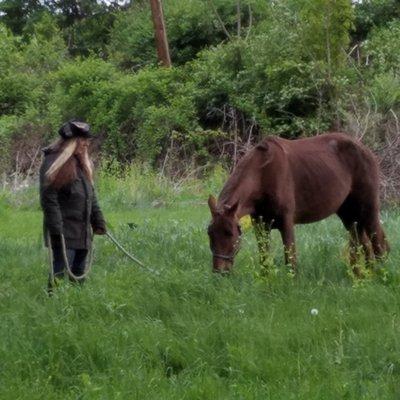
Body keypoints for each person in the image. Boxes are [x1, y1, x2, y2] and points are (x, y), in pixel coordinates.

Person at [39, 120, 106, 291]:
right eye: (82, 140)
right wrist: (56, 229)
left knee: (79, 272)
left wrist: (98, 221)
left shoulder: (82, 163)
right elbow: (49, 199)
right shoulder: (54, 162)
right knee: (60, 272)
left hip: (82, 229)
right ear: (71, 142)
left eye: (87, 140)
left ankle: (77, 306)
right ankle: (53, 305)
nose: (86, 144)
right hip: (64, 231)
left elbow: (91, 196)